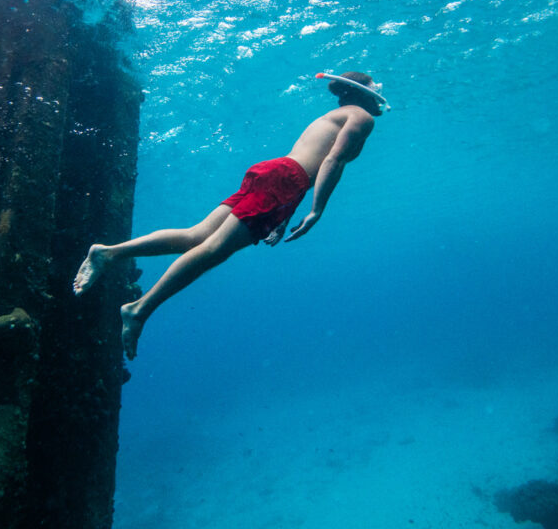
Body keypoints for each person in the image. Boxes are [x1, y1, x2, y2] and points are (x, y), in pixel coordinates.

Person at [73, 71, 385, 359]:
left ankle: (108, 253)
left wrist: (284, 216)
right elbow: (332, 161)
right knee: (214, 250)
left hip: (277, 173)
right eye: (375, 86)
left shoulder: (336, 115)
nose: (380, 91)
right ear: (363, 92)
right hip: (286, 180)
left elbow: (308, 166)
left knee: (196, 236)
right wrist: (317, 210)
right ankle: (138, 310)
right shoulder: (362, 117)